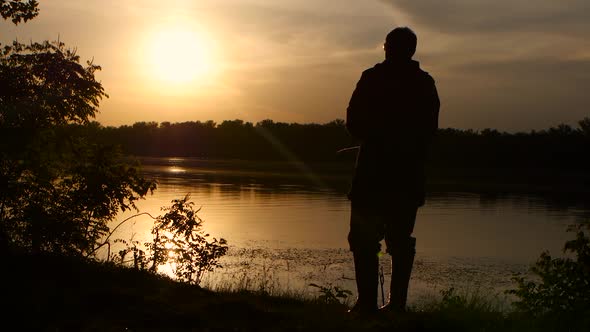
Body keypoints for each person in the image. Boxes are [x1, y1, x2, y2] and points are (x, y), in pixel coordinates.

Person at [345, 27, 440, 315]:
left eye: (390, 46)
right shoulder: (422, 83)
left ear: (388, 47)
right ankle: (389, 304)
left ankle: (372, 304)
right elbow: (428, 131)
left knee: (370, 240)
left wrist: (378, 137)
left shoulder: (373, 78)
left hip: (379, 176)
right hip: (403, 176)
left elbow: (353, 123)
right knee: (388, 241)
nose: (389, 50)